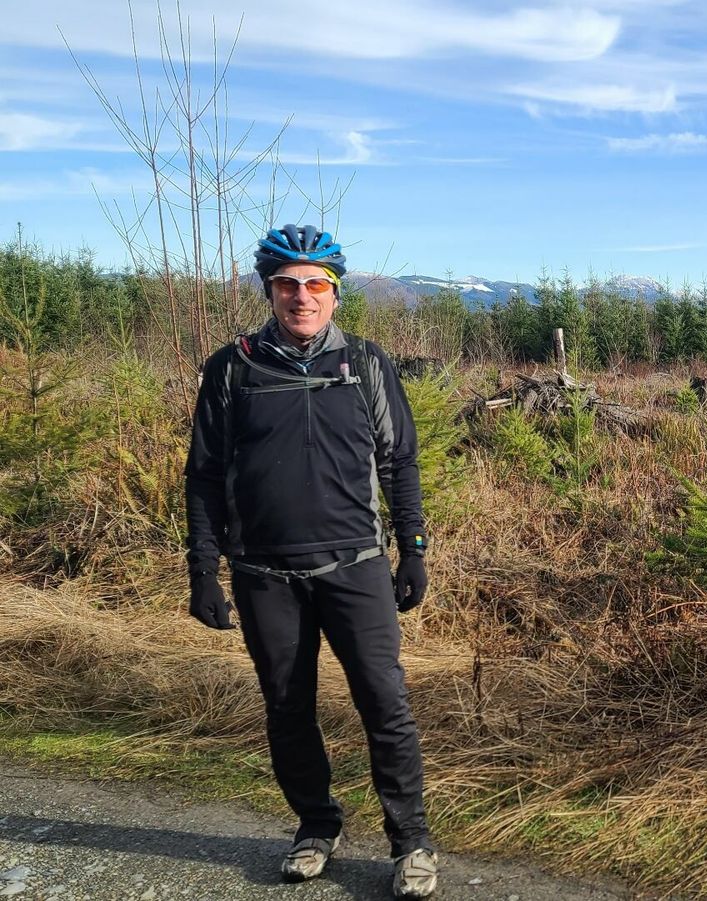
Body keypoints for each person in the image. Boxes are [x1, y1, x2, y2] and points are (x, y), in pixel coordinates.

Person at [183, 224, 438, 899]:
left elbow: (399, 462)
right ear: (269, 291)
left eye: (316, 284)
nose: (303, 296)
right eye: (288, 284)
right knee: (287, 707)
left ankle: (410, 841)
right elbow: (203, 476)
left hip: (355, 566)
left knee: (385, 703)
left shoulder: (366, 363)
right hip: (264, 574)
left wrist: (413, 549)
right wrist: (202, 571)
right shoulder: (233, 368)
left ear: (335, 293)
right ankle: (316, 825)